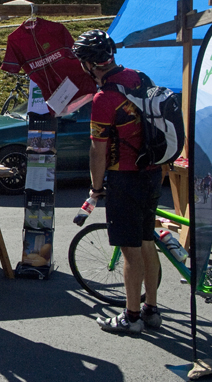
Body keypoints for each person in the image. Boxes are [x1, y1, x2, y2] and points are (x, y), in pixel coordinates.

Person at [72, 29, 163, 334]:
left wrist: (96, 189)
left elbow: (98, 152)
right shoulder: (140, 78)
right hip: (152, 171)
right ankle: (151, 309)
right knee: (147, 241)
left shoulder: (104, 98)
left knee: (130, 250)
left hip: (125, 177)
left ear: (88, 63)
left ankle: (132, 317)